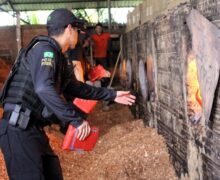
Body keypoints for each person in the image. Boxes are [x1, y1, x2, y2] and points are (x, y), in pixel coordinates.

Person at [0, 8, 136, 180]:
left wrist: (112, 95)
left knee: (54, 174)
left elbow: (77, 88)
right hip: (17, 130)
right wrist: (76, 120)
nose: (79, 36)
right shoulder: (45, 50)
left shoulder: (58, 56)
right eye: (78, 31)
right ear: (69, 29)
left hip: (32, 129)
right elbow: (43, 88)